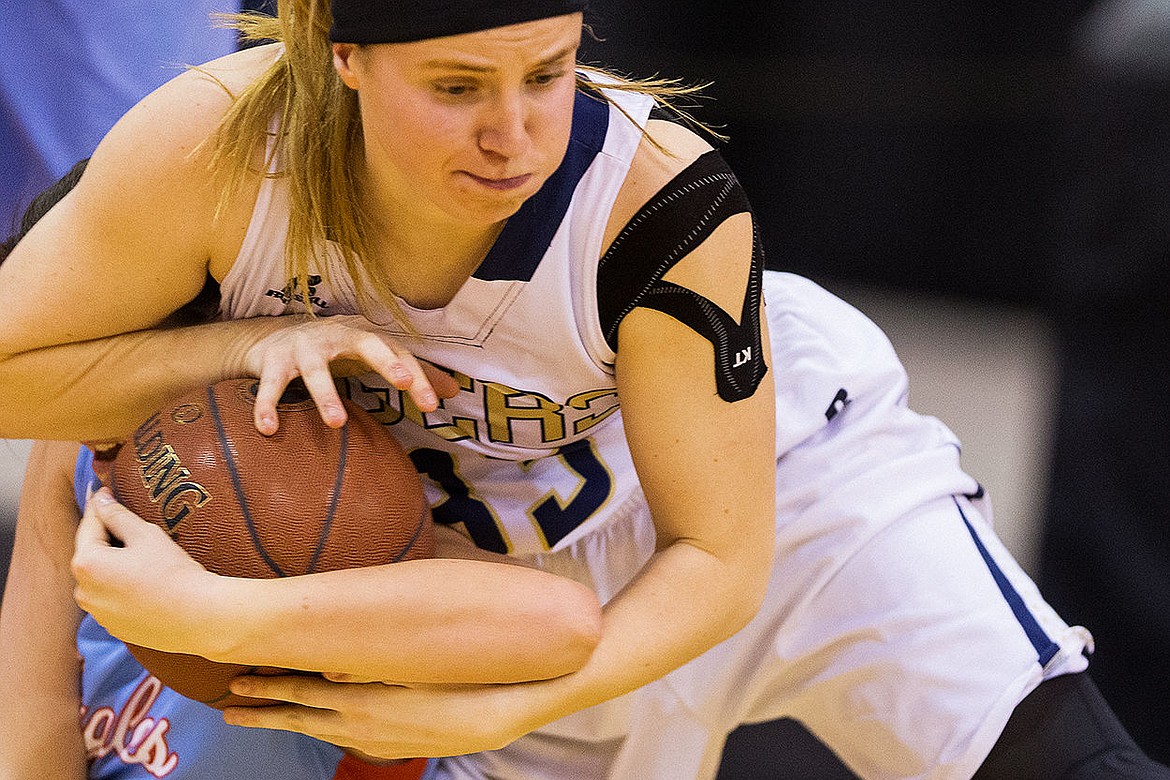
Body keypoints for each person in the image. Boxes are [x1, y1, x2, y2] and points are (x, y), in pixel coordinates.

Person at [0, 2, 1163, 778]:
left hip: (775, 494)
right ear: (341, 60)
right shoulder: (214, 151)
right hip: (477, 571)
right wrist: (231, 349)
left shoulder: (659, 200)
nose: (513, 132)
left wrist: (493, 707)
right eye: (457, 85)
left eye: (547, 72)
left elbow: (719, 561)